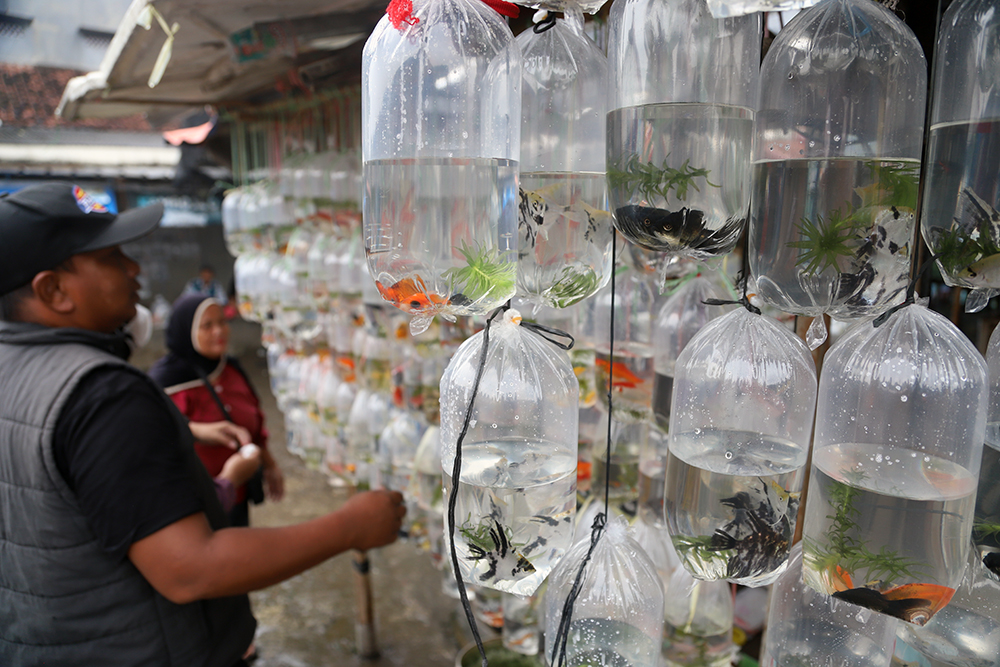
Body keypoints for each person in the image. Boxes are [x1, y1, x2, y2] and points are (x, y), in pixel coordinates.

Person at [0, 183, 405, 666]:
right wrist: (348, 527)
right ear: (54, 290)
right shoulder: (102, 395)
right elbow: (188, 568)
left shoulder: (16, 367)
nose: (134, 268)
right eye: (110, 257)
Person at [148, 293, 284, 527]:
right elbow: (157, 436)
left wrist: (269, 464)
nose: (219, 331)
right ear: (186, 331)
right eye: (207, 325)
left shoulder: (230, 368)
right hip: (194, 504)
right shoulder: (166, 383)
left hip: (238, 494)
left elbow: (255, 419)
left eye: (222, 322)